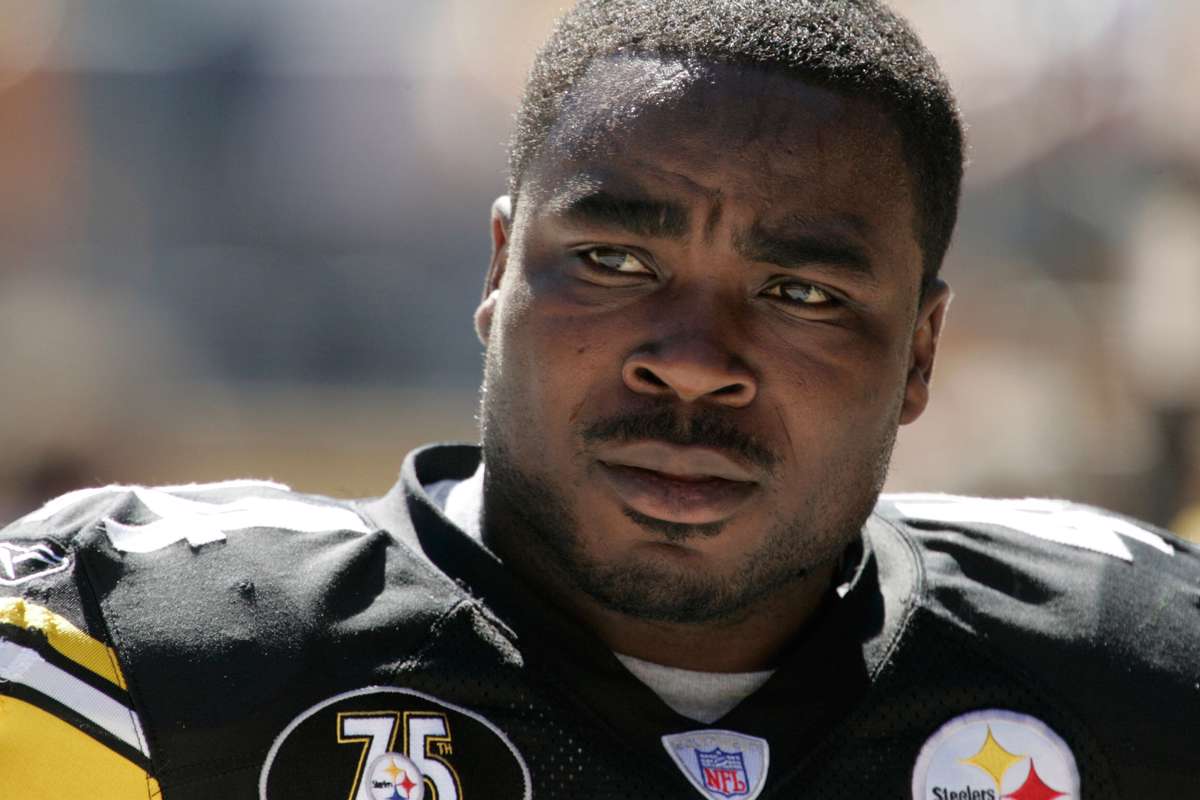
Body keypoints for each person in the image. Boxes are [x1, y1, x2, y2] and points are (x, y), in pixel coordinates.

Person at [2, 1, 1196, 798]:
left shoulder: (1135, 670)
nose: (694, 361)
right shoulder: (137, 660)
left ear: (921, 350)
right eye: (616, 261)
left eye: (800, 292)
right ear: (497, 274)